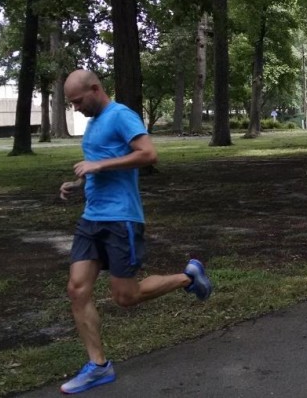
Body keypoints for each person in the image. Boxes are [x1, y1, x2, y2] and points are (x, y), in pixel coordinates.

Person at [58, 69, 212, 394]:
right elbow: (96, 165)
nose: (76, 108)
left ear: (95, 89)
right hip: (91, 217)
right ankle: (99, 366)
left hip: (120, 219)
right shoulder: (93, 124)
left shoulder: (120, 115)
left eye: (78, 101)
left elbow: (149, 154)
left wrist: (98, 166)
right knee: (76, 289)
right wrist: (78, 184)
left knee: (125, 297)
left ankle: (188, 277)